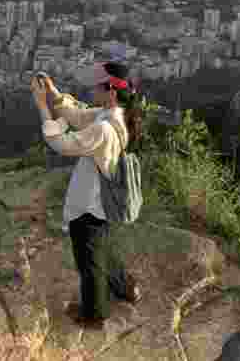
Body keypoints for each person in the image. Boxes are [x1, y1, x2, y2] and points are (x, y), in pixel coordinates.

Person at [30, 62, 145, 328]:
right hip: (102, 199)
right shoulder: (116, 113)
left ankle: (94, 313)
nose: (92, 88)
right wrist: (53, 93)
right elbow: (78, 115)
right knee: (102, 246)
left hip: (91, 204)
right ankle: (125, 288)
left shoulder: (104, 127)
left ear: (111, 92)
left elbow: (61, 143)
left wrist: (42, 106)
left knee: (88, 262)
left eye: (97, 85)